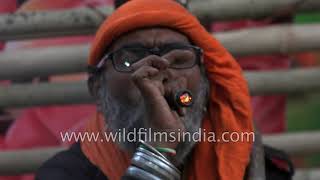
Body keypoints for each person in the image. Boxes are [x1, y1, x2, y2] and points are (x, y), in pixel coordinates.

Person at [36, 0, 254, 179]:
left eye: (178, 58)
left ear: (206, 82)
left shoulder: (252, 167)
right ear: (97, 89)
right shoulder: (64, 174)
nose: (155, 75)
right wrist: (159, 146)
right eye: (131, 60)